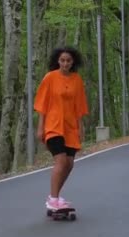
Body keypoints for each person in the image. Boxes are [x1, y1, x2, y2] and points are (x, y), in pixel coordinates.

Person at [34, 46, 89, 210]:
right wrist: (40, 127)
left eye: (68, 61)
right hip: (53, 125)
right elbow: (42, 104)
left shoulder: (77, 80)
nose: (65, 63)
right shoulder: (50, 78)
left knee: (70, 163)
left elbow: (80, 106)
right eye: (62, 60)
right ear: (58, 61)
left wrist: (81, 127)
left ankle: (55, 197)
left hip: (70, 127)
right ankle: (53, 199)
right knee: (61, 160)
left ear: (73, 62)